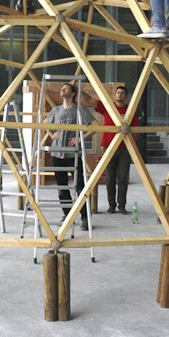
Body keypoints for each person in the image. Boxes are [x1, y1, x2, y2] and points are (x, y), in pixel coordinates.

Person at [43, 83, 97, 231]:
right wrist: (51, 134)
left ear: (73, 94)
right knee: (62, 186)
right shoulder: (56, 110)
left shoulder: (80, 109)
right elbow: (44, 123)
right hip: (57, 153)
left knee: (80, 186)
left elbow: (95, 125)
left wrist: (80, 139)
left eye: (66, 89)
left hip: (73, 153)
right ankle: (67, 216)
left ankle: (85, 217)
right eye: (62, 88)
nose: (62, 90)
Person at [90, 86, 138, 214]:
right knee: (110, 178)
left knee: (123, 178)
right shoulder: (108, 107)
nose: (120, 95)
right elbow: (90, 101)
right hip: (108, 147)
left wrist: (130, 144)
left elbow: (136, 129)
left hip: (124, 149)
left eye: (122, 93)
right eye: (118, 92)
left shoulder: (130, 110)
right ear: (115, 95)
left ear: (126, 96)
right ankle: (111, 205)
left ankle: (122, 205)